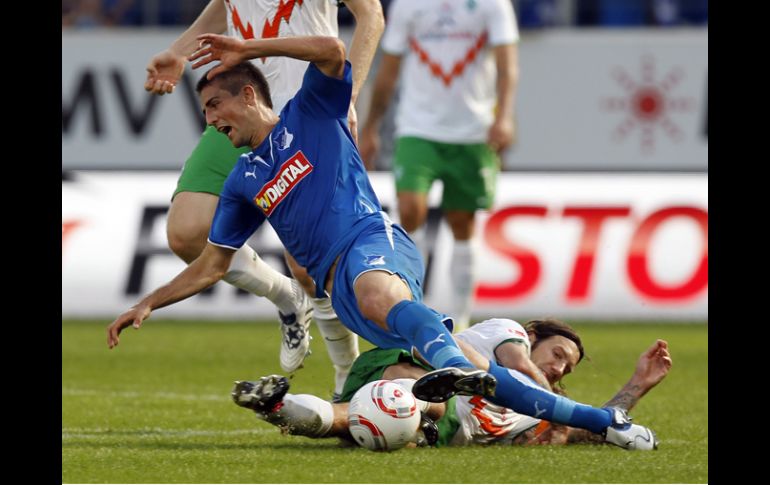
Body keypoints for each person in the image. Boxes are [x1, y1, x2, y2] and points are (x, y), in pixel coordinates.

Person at [106, 33, 655, 448]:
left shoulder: (311, 112)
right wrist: (147, 302)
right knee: (489, 383)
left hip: (374, 243)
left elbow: (330, 46)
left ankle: (444, 362)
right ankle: (606, 422)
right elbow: (210, 264)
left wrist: (247, 43)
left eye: (214, 108)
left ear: (248, 95)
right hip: (338, 290)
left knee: (382, 300)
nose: (211, 122)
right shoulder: (243, 182)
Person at [143, 0, 385, 398]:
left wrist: (347, 95)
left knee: (309, 267)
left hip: (303, 112)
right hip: (244, 110)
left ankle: (346, 373)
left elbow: (371, 15)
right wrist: (179, 52)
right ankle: (283, 295)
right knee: (186, 234)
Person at [231, 318, 670, 449]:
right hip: (407, 364)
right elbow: (518, 366)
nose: (558, 369)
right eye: (558, 356)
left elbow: (586, 432)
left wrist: (638, 385)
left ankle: (285, 409)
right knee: (431, 390)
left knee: (388, 421)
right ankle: (435, 388)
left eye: (566, 371)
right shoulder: (509, 334)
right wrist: (548, 394)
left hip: (430, 425)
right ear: (534, 338)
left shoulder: (525, 419)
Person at [358, 0, 519, 330]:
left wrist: (503, 117)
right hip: (417, 129)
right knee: (410, 209)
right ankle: (412, 310)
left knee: (462, 223)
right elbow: (388, 70)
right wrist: (371, 126)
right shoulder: (408, 6)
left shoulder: (492, 5)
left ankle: (460, 323)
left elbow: (507, 65)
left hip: (472, 132)